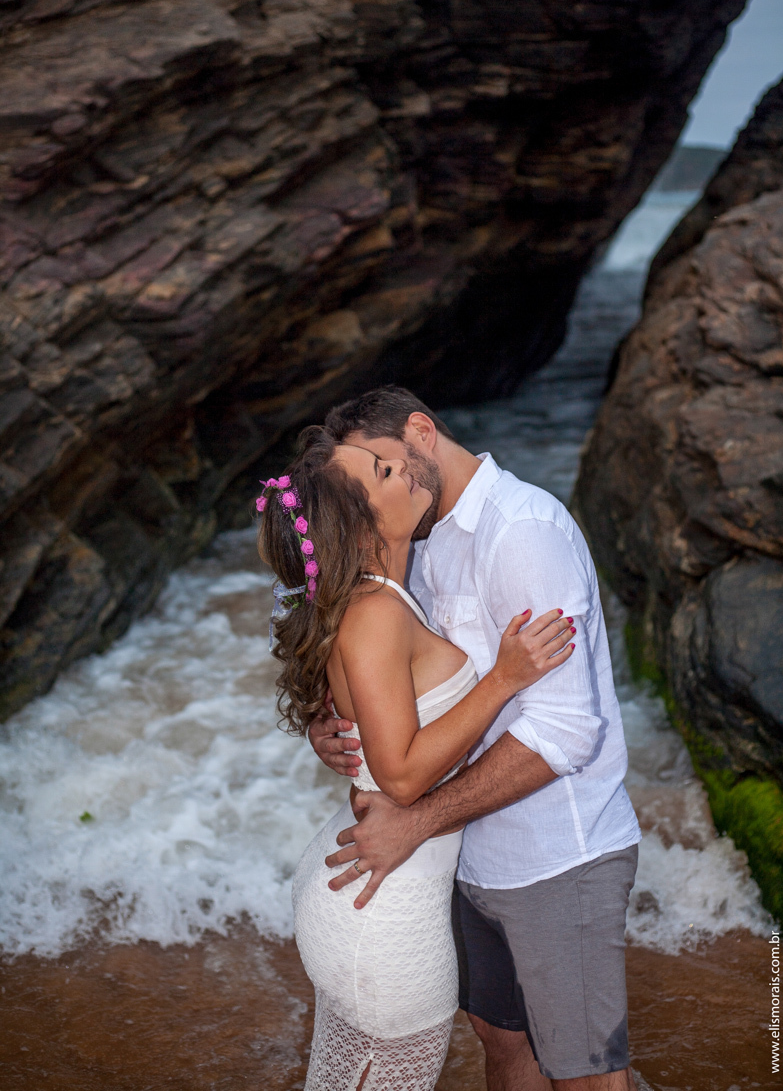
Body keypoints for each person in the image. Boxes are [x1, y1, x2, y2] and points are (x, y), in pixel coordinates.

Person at [310, 386, 643, 1091]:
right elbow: (391, 679)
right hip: (469, 859)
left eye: (381, 467)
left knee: (585, 1072)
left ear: (420, 432)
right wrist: (334, 725)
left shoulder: (521, 531)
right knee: (502, 1041)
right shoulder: (416, 545)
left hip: (556, 856)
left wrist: (416, 821)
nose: (376, 490)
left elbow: (564, 731)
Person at [257, 426, 574, 1091]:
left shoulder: (373, 599)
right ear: (363, 524)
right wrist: (503, 679)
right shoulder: (375, 611)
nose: (401, 466)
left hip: (365, 889)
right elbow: (400, 775)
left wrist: (323, 727)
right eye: (381, 471)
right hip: (386, 913)